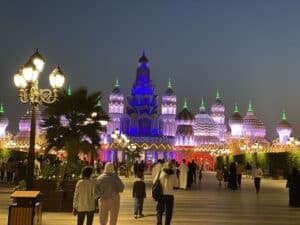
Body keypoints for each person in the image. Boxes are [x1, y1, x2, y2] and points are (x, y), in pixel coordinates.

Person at [154, 161, 178, 225]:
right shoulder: (173, 174)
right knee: (169, 212)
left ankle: (159, 222)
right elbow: (176, 184)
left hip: (161, 194)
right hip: (170, 195)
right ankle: (167, 223)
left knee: (159, 210)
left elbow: (154, 182)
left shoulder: (160, 173)